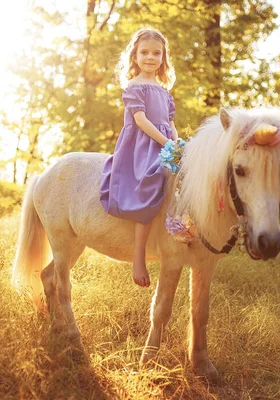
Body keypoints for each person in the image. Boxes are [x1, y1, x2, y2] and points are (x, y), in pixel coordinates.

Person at [100, 28, 179, 287]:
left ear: (163, 58)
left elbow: (170, 122)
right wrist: (166, 143)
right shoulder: (134, 87)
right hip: (141, 147)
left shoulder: (164, 90)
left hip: (166, 144)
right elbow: (141, 121)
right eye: (144, 52)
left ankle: (181, 233)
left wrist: (176, 143)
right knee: (150, 184)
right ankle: (138, 257)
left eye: (157, 53)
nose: (150, 58)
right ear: (135, 56)